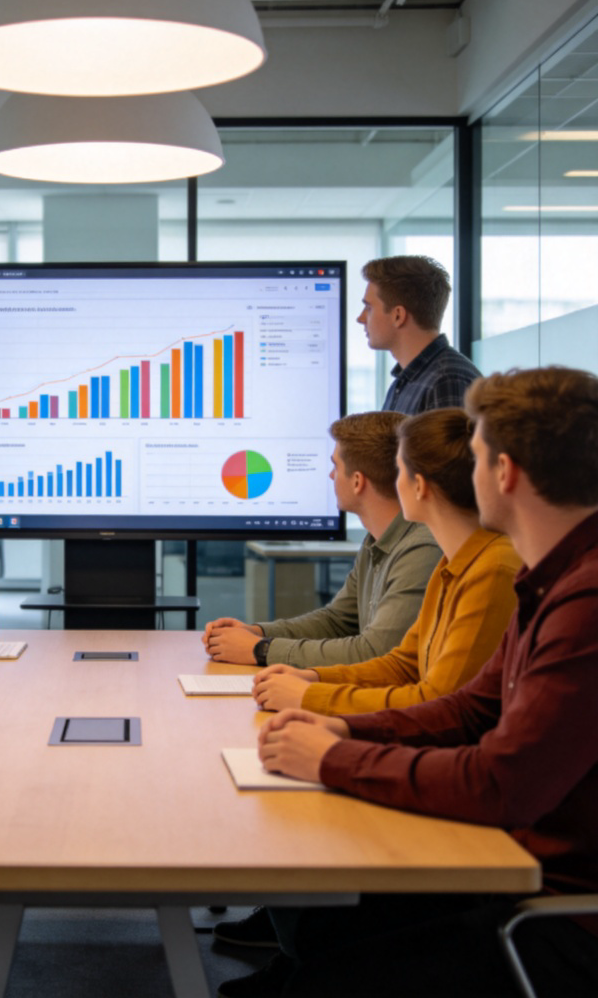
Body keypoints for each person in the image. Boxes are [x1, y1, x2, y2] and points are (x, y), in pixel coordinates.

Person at [252, 366, 598, 997]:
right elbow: (467, 708)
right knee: (324, 933)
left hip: (560, 912)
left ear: (505, 472)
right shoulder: (549, 581)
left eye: (474, 455)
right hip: (515, 866)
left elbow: (499, 781)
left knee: (324, 974)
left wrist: (336, 759)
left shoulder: (583, 604)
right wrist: (342, 724)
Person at [251, 407, 520, 716]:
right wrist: (311, 677)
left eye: (400, 470)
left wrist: (309, 696)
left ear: (418, 486)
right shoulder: (453, 560)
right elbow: (403, 664)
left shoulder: (491, 569)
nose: (393, 481)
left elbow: (439, 703)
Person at [204, 412, 440, 669]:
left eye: (335, 466)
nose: (330, 476)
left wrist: (260, 650)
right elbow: (337, 621)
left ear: (358, 481)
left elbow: (376, 652)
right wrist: (257, 632)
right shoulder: (377, 540)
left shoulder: (422, 548)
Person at [359, 255, 480, 415]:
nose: (360, 318)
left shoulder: (447, 381)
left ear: (398, 316)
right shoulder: (406, 382)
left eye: (368, 308)